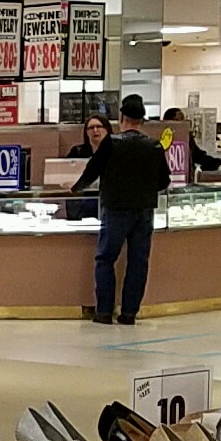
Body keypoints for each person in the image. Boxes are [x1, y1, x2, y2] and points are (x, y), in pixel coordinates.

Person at [72, 94, 172, 323]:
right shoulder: (154, 146)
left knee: (106, 258)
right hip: (144, 211)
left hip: (115, 208)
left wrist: (75, 189)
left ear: (121, 118)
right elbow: (164, 181)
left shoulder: (111, 143)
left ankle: (104, 311)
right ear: (142, 120)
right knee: (138, 262)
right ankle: (129, 314)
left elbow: (92, 171)